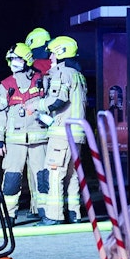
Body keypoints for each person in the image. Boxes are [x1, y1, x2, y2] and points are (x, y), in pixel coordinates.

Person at [0, 43, 48, 221]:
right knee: (12, 178)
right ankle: (9, 214)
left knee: (42, 177)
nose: (13, 62)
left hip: (39, 139)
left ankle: (46, 211)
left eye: (16, 58)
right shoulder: (6, 85)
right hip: (14, 142)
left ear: (26, 60)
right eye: (11, 59)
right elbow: (0, 116)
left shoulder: (41, 80)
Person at [38, 35, 87, 225]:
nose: (49, 57)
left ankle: (53, 215)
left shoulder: (63, 73)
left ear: (60, 53)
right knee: (72, 175)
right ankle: (74, 213)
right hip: (76, 134)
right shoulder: (78, 75)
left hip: (62, 134)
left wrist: (37, 105)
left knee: (54, 172)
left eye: (52, 53)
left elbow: (57, 100)